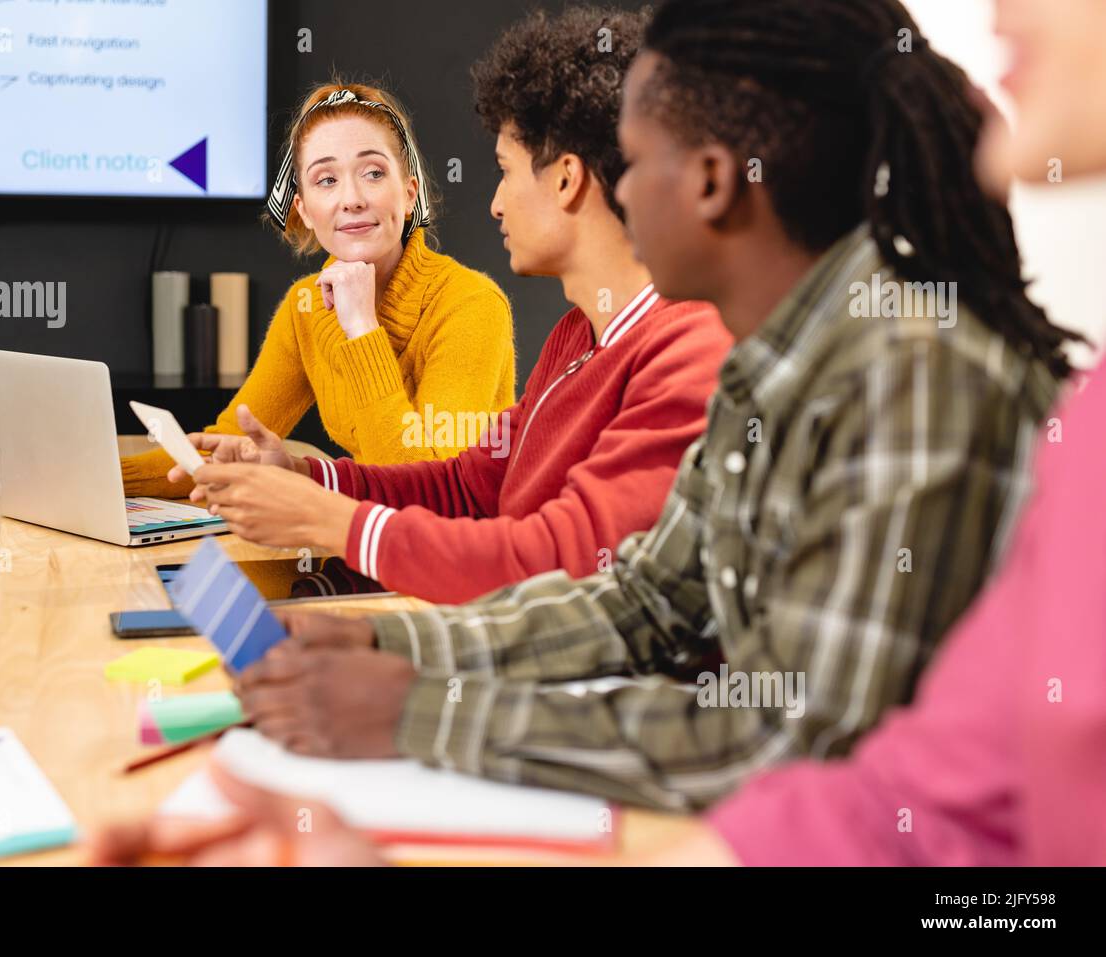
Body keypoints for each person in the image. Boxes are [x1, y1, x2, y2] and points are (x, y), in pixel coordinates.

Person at [229, 0, 1080, 813]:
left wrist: (418, 711)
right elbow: (643, 599)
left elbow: (789, 738)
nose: (615, 196)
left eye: (631, 163)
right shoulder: (771, 363)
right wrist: (393, 646)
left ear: (713, 184)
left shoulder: (908, 378)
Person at [170, 7, 730, 604]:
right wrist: (308, 475)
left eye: (504, 172)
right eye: (326, 181)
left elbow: (563, 563)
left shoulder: (688, 348)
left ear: (566, 180)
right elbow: (470, 487)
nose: (493, 204)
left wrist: (330, 521)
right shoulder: (577, 337)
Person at [121, 82, 516, 499]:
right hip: (368, 538)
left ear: (408, 193)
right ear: (305, 211)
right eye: (326, 180)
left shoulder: (469, 304)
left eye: (374, 173)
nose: (351, 199)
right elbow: (231, 439)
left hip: (461, 548)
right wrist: (102, 480)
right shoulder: (306, 306)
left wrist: (362, 328)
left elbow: (428, 492)